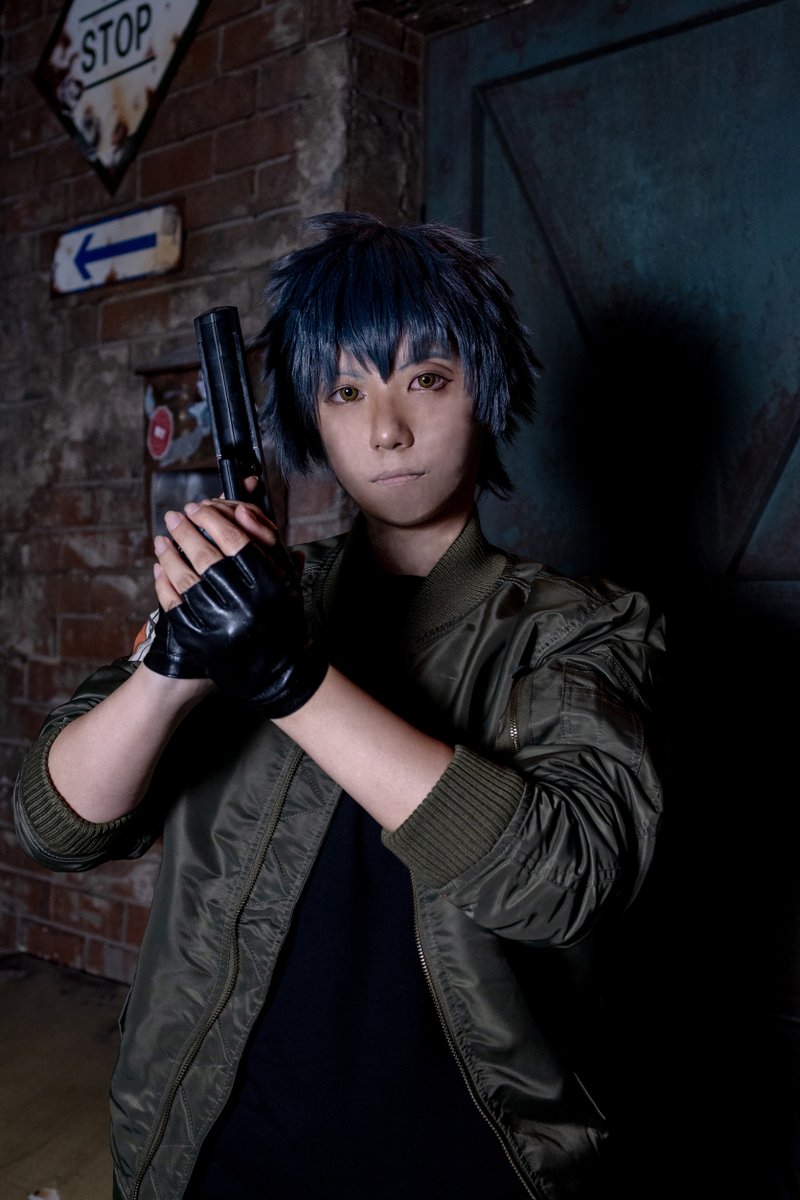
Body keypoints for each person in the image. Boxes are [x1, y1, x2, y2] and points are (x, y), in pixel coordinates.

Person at [13, 212, 665, 1200]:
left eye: (426, 380)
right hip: (220, 1151)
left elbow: (562, 880)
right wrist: (174, 667)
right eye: (346, 391)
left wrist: (290, 680)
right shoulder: (255, 599)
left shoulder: (578, 627)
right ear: (309, 418)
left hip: (461, 1166)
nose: (386, 430)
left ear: (485, 390)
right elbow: (52, 826)